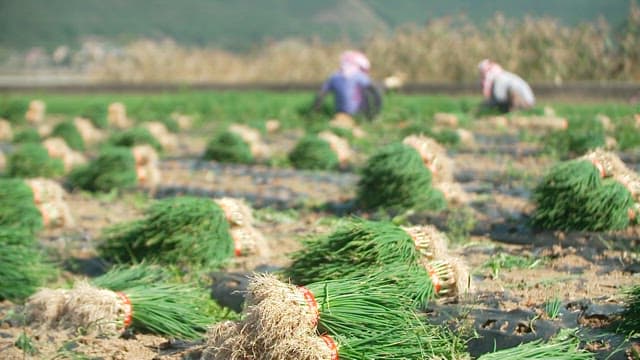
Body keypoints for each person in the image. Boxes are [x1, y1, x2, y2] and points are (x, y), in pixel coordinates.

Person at [312, 50, 382, 120]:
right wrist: (376, 112)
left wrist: (315, 111)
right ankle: (368, 117)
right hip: (358, 113)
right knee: (366, 91)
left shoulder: (334, 76)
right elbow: (375, 93)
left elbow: (321, 94)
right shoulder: (359, 76)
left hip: (339, 112)